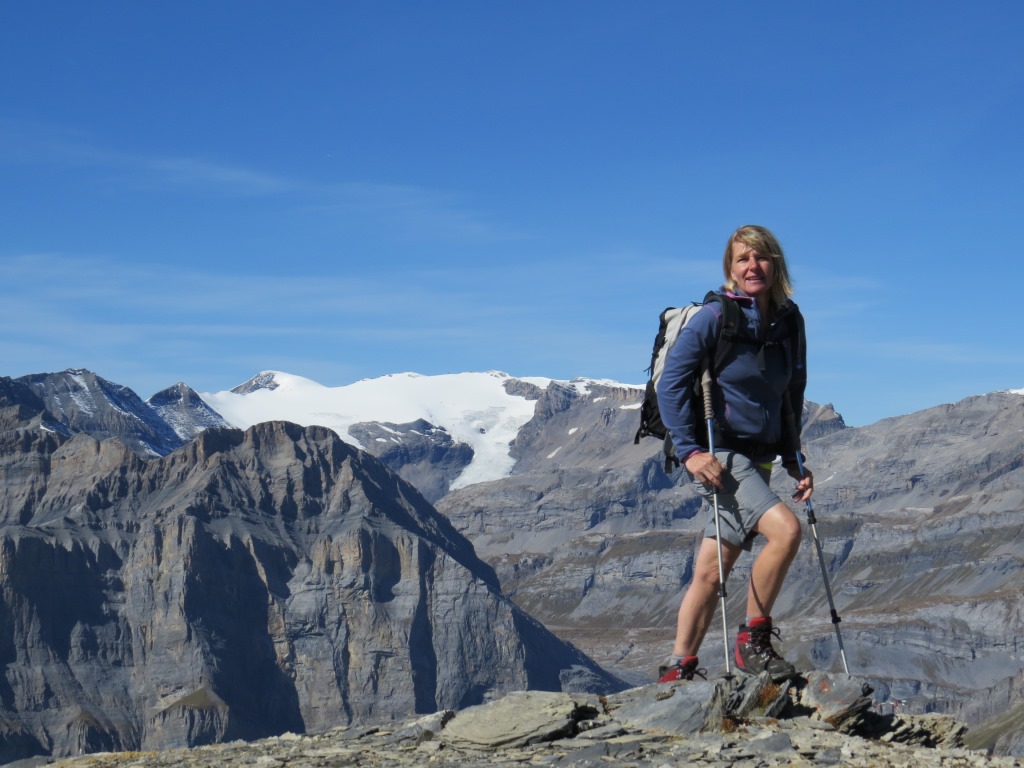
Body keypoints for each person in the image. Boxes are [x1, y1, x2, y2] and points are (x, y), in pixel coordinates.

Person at [654, 224, 813, 682]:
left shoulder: (788, 322)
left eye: (761, 258)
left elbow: (791, 392)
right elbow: (671, 385)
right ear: (730, 268)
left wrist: (792, 458)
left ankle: (678, 668)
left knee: (712, 570)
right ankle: (753, 642)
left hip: (759, 455)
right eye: (742, 259)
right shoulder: (714, 317)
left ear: (776, 265)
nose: (752, 267)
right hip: (719, 455)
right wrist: (689, 452)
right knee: (785, 532)